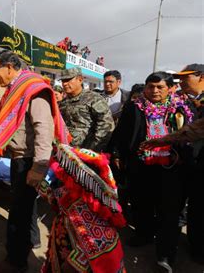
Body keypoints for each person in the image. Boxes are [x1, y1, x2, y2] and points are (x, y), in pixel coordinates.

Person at [0, 50, 66, 272]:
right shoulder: (16, 91)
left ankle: (16, 262)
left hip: (28, 162)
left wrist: (39, 167)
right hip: (19, 159)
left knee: (20, 214)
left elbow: (43, 129)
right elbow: (4, 119)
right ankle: (17, 257)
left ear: (9, 67)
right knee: (20, 211)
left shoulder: (33, 89)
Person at [109, 71, 194, 271]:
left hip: (172, 169)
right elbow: (122, 134)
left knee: (169, 211)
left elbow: (192, 135)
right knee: (142, 203)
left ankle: (165, 253)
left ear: (170, 88)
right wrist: (117, 154)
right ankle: (144, 234)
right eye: (150, 87)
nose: (154, 91)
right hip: (141, 166)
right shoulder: (134, 107)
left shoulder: (182, 107)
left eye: (160, 87)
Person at [143, 64, 203, 264]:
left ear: (201, 77)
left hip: (198, 167)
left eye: (186, 78)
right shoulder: (186, 101)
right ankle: (166, 255)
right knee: (173, 211)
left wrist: (161, 140)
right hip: (181, 167)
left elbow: (194, 130)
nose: (181, 83)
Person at [40, 144, 126, 273]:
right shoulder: (70, 193)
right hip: (62, 246)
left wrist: (71, 265)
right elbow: (53, 198)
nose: (63, 172)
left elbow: (94, 249)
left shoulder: (88, 211)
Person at [59, 67, 114, 152]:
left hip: (87, 153)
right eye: (63, 81)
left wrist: (93, 149)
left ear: (80, 79)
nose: (65, 84)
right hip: (66, 152)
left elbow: (106, 126)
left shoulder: (94, 99)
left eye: (68, 80)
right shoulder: (63, 103)